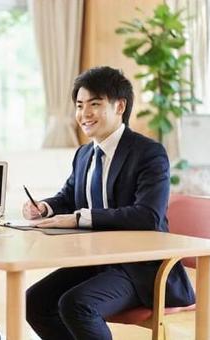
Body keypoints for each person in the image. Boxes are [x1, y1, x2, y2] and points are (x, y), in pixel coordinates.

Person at [23, 66, 195, 340]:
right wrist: (45, 207)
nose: (84, 114)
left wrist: (80, 219)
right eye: (79, 105)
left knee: (77, 304)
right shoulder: (84, 154)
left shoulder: (148, 153)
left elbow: (147, 216)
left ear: (120, 106)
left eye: (94, 104)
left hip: (140, 268)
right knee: (35, 301)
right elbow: (69, 197)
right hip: (96, 262)